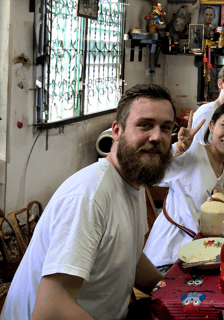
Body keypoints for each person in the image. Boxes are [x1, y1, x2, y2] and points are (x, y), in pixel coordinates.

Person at [0, 84, 183, 319]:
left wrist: (172, 292)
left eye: (166, 128)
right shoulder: (88, 197)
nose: (157, 137)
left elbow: (130, 256)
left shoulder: (133, 181)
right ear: (117, 131)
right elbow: (51, 310)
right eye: (145, 125)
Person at [143, 101, 224, 274]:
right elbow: (150, 174)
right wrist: (178, 147)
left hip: (200, 255)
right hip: (169, 258)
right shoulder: (193, 153)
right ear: (212, 126)